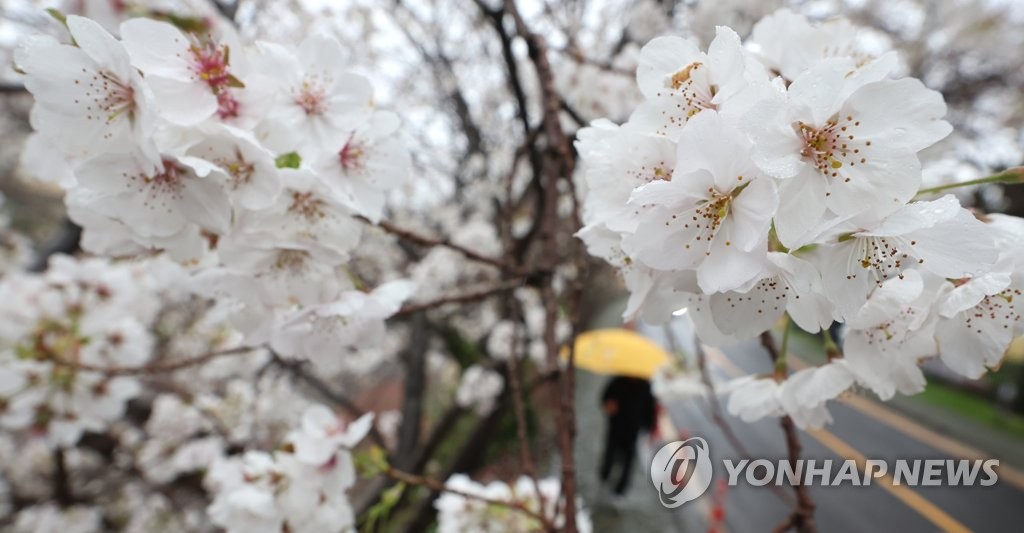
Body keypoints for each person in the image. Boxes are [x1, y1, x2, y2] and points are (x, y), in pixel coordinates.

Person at [599, 375, 656, 497]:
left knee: (627, 463)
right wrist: (608, 405)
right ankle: (603, 478)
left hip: (632, 433)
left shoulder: (645, 388)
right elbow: (605, 397)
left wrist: (648, 429)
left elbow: (650, 413)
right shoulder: (618, 381)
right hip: (615, 428)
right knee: (609, 456)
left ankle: (620, 491)